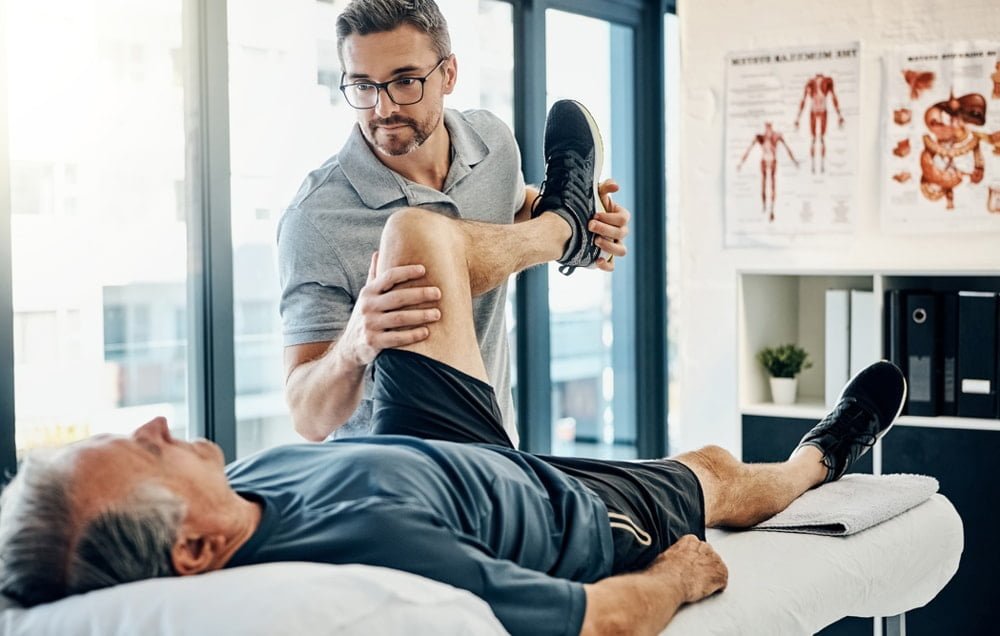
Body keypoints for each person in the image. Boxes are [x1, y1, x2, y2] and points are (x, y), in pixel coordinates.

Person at [0, 192, 907, 635]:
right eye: (142, 453)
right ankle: (822, 453)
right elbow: (596, 619)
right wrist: (680, 579)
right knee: (716, 468)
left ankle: (563, 228)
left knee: (413, 235)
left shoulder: (235, 492)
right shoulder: (381, 560)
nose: (154, 425)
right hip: (563, 513)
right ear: (193, 551)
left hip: (433, 445)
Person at [278, 0, 631, 447]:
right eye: (363, 85)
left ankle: (567, 227)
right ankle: (564, 231)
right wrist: (354, 344)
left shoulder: (493, 142)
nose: (383, 108)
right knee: (418, 235)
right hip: (394, 477)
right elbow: (307, 419)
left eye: (405, 81)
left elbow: (511, 208)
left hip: (497, 450)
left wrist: (586, 221)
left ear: (449, 74)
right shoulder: (315, 219)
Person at [737, 122, 799, 221]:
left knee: (772, 184)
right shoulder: (760, 137)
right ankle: (764, 206)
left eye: (769, 128)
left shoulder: (776, 136)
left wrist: (794, 161)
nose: (768, 130)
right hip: (764, 161)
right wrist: (741, 163)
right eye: (767, 128)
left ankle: (772, 209)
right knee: (764, 183)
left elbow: (787, 148)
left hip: (772, 161)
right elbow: (749, 150)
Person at [794, 72, 845, 174]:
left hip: (822, 110)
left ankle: (821, 166)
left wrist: (839, 115)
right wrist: (798, 118)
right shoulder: (810, 83)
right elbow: (803, 100)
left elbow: (834, 97)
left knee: (821, 139)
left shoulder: (828, 81)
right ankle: (813, 166)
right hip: (814, 110)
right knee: (814, 139)